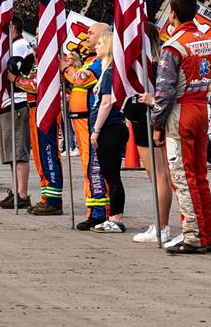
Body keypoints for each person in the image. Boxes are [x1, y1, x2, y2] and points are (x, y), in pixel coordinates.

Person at [141, 0, 211, 254]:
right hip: (201, 108)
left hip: (180, 112)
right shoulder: (209, 41)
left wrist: (157, 124)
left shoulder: (174, 46)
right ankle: (206, 233)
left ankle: (193, 235)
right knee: (200, 175)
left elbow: (164, 91)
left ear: (172, 13)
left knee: (183, 177)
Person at [62, 22, 112, 230]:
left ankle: (99, 212)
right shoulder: (91, 60)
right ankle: (94, 208)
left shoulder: (102, 62)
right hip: (79, 120)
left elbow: (81, 80)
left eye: (92, 34)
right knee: (88, 166)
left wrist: (66, 68)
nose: (87, 37)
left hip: (88, 120)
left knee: (93, 166)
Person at [127, 23, 174, 244]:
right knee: (155, 175)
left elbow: (164, 93)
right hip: (141, 121)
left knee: (159, 175)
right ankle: (159, 223)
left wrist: (152, 101)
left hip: (151, 121)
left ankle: (162, 226)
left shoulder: (153, 65)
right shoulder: (145, 64)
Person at [14, 34, 65, 216]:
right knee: (39, 156)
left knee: (48, 153)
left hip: (46, 109)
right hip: (34, 109)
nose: (37, 36)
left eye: (40, 31)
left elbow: (38, 86)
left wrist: (16, 80)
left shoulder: (51, 57)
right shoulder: (39, 58)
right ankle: (46, 196)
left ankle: (53, 200)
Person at [89, 31, 129, 232]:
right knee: (109, 174)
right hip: (112, 127)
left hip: (110, 127)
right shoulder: (108, 71)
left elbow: (106, 103)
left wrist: (96, 130)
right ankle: (114, 216)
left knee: (112, 175)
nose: (96, 46)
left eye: (100, 44)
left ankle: (116, 218)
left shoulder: (111, 71)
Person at [0, 20, 34, 210]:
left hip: (17, 102)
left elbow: (11, 68)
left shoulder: (18, 45)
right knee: (12, 153)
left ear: (13, 29)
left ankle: (22, 194)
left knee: (19, 152)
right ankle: (16, 190)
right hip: (8, 103)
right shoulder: (13, 45)